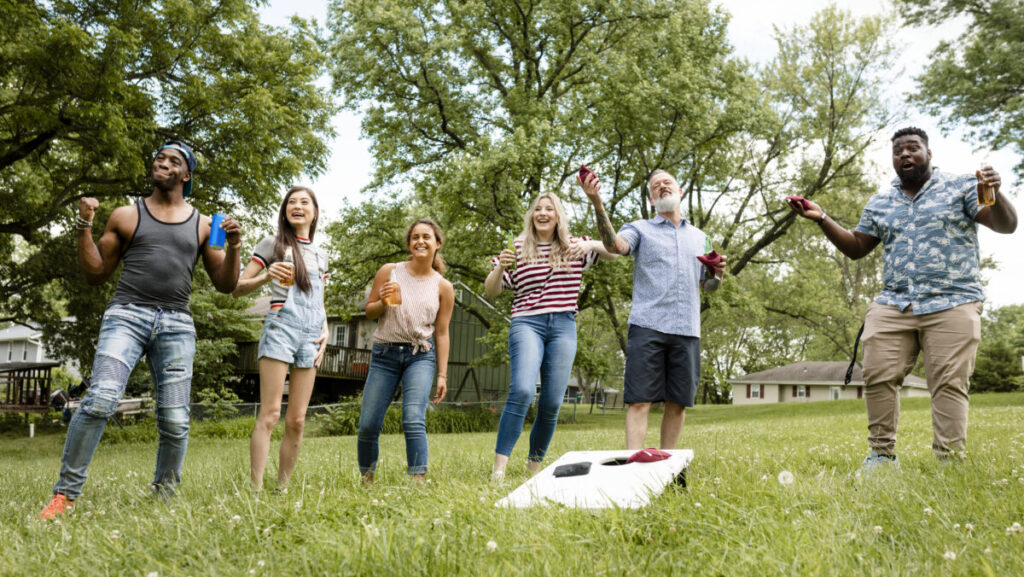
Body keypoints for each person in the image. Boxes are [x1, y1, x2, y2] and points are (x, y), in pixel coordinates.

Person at [787, 126, 1018, 470]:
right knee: (878, 373)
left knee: (948, 383)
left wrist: (997, 194)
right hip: (894, 303)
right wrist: (822, 218)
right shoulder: (881, 201)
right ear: (893, 159)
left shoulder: (962, 187)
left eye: (913, 148)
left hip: (953, 300)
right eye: (899, 151)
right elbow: (856, 247)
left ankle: (950, 461)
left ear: (928, 153)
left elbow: (1006, 225)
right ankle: (881, 457)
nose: (905, 154)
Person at [40, 141, 242, 519]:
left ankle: (164, 499)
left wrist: (233, 246)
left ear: (186, 175)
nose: (162, 163)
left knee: (175, 418)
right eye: (159, 157)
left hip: (177, 325)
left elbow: (226, 285)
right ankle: (64, 496)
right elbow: (95, 273)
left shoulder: (206, 225)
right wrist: (84, 225)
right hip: (126, 317)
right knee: (100, 399)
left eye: (173, 161)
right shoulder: (125, 216)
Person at [580, 169, 726, 450]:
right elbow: (616, 246)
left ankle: (669, 468)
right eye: (655, 186)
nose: (662, 187)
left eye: (667, 183)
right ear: (651, 200)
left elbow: (708, 287)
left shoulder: (701, 238)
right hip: (648, 327)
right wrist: (597, 201)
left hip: (687, 330)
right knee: (639, 401)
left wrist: (717, 274)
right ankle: (633, 469)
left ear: (679, 191)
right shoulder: (639, 229)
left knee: (678, 404)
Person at [485, 192, 617, 481]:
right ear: (532, 216)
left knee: (552, 402)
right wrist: (500, 267)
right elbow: (491, 290)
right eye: (538, 209)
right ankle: (499, 469)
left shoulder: (574, 247)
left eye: (549, 209)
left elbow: (615, 250)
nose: (543, 213)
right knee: (521, 390)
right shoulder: (517, 247)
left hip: (563, 326)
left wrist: (590, 243)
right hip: (526, 324)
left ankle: (534, 469)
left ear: (558, 216)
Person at [231, 186, 330, 491]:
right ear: (285, 211)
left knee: (297, 420)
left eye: (304, 202)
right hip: (281, 328)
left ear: (314, 213)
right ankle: (256, 489)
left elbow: (319, 299)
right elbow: (237, 286)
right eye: (291, 202)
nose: (296, 206)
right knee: (271, 413)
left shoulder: (322, 255)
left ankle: (282, 488)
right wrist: (267, 276)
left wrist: (325, 331)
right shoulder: (272, 244)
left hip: (312, 333)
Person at [357, 219, 454, 483]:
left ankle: (417, 482)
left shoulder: (443, 286)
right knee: (368, 423)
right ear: (409, 243)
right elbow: (370, 310)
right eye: (415, 237)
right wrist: (383, 303)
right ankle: (367, 478)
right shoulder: (390, 272)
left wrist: (442, 375)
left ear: (437, 243)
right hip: (384, 355)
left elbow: (442, 332)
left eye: (426, 237)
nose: (420, 241)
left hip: (420, 356)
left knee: (413, 419)